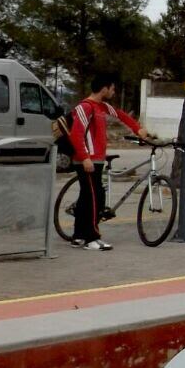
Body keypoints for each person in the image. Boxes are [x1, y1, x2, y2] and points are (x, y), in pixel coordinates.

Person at [66, 74, 155, 251]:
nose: (114, 92)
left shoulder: (102, 107)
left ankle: (78, 235)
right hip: (88, 160)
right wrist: (85, 158)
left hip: (96, 159)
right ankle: (92, 238)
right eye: (112, 88)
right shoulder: (85, 107)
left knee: (86, 197)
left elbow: (121, 116)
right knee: (95, 197)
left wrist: (138, 129)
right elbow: (76, 134)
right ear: (104, 88)